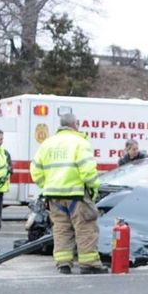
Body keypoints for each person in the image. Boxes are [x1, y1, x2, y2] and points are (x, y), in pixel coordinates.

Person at [31, 113, 103, 274]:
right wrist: (94, 187)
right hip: (76, 194)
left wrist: (47, 185)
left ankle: (63, 263)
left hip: (54, 196)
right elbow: (87, 170)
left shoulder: (47, 144)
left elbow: (35, 170)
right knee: (85, 227)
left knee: (61, 229)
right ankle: (89, 264)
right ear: (75, 124)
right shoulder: (80, 142)